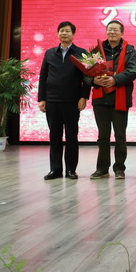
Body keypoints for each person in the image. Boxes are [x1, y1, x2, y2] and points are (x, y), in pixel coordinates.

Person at [38, 21, 91, 180]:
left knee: (71, 136)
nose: (64, 33)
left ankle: (71, 170)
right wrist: (42, 99)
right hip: (52, 101)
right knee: (54, 136)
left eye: (67, 31)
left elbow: (87, 78)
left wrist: (84, 97)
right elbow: (43, 77)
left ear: (73, 34)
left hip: (72, 101)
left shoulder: (81, 53)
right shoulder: (50, 53)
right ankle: (55, 170)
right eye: (61, 31)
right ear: (57, 34)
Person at [86, 20, 136, 180]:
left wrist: (115, 79)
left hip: (120, 98)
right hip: (101, 99)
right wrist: (94, 81)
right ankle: (102, 169)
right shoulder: (96, 51)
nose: (112, 32)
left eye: (115, 30)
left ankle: (119, 168)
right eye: (110, 29)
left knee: (120, 135)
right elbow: (85, 74)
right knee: (103, 136)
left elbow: (133, 71)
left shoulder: (130, 50)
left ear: (122, 33)